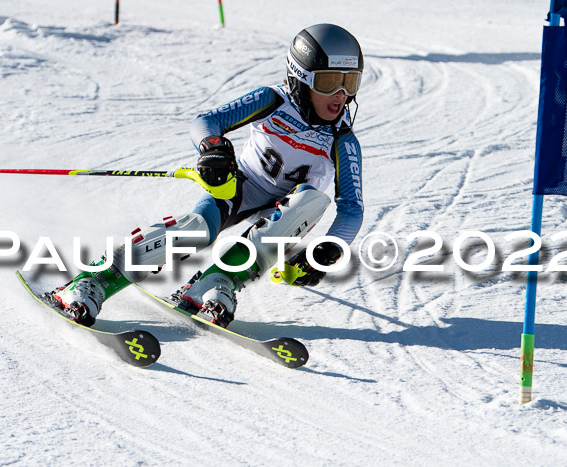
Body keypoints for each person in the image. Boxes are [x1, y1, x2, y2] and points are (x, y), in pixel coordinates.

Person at [46, 23, 365, 329]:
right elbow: (208, 121)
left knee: (311, 201)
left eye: (349, 83)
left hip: (284, 211)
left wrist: (330, 248)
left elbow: (352, 208)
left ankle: (215, 283)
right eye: (328, 82)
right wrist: (212, 148)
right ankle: (93, 281)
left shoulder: (342, 140)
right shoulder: (273, 100)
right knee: (198, 230)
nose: (340, 94)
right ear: (300, 77)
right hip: (240, 186)